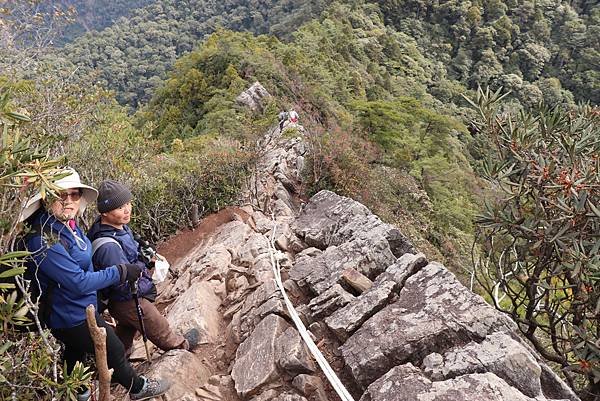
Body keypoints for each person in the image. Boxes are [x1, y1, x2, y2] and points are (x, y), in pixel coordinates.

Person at [18, 169, 170, 401]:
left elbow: (84, 260)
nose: (68, 200)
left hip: (82, 306)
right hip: (67, 314)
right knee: (115, 349)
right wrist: (119, 271)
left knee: (75, 353)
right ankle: (137, 388)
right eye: (61, 194)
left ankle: (77, 393)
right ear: (46, 198)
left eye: (74, 194)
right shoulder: (43, 240)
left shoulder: (68, 224)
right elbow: (78, 282)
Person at [87, 180, 199, 356]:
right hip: (126, 299)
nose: (127, 210)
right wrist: (144, 264)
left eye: (128, 204)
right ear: (105, 213)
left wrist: (146, 258)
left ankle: (119, 363)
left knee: (126, 330)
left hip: (123, 299)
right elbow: (122, 281)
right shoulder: (108, 247)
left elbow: (131, 255)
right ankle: (180, 345)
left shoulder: (119, 228)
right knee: (156, 324)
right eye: (119, 208)